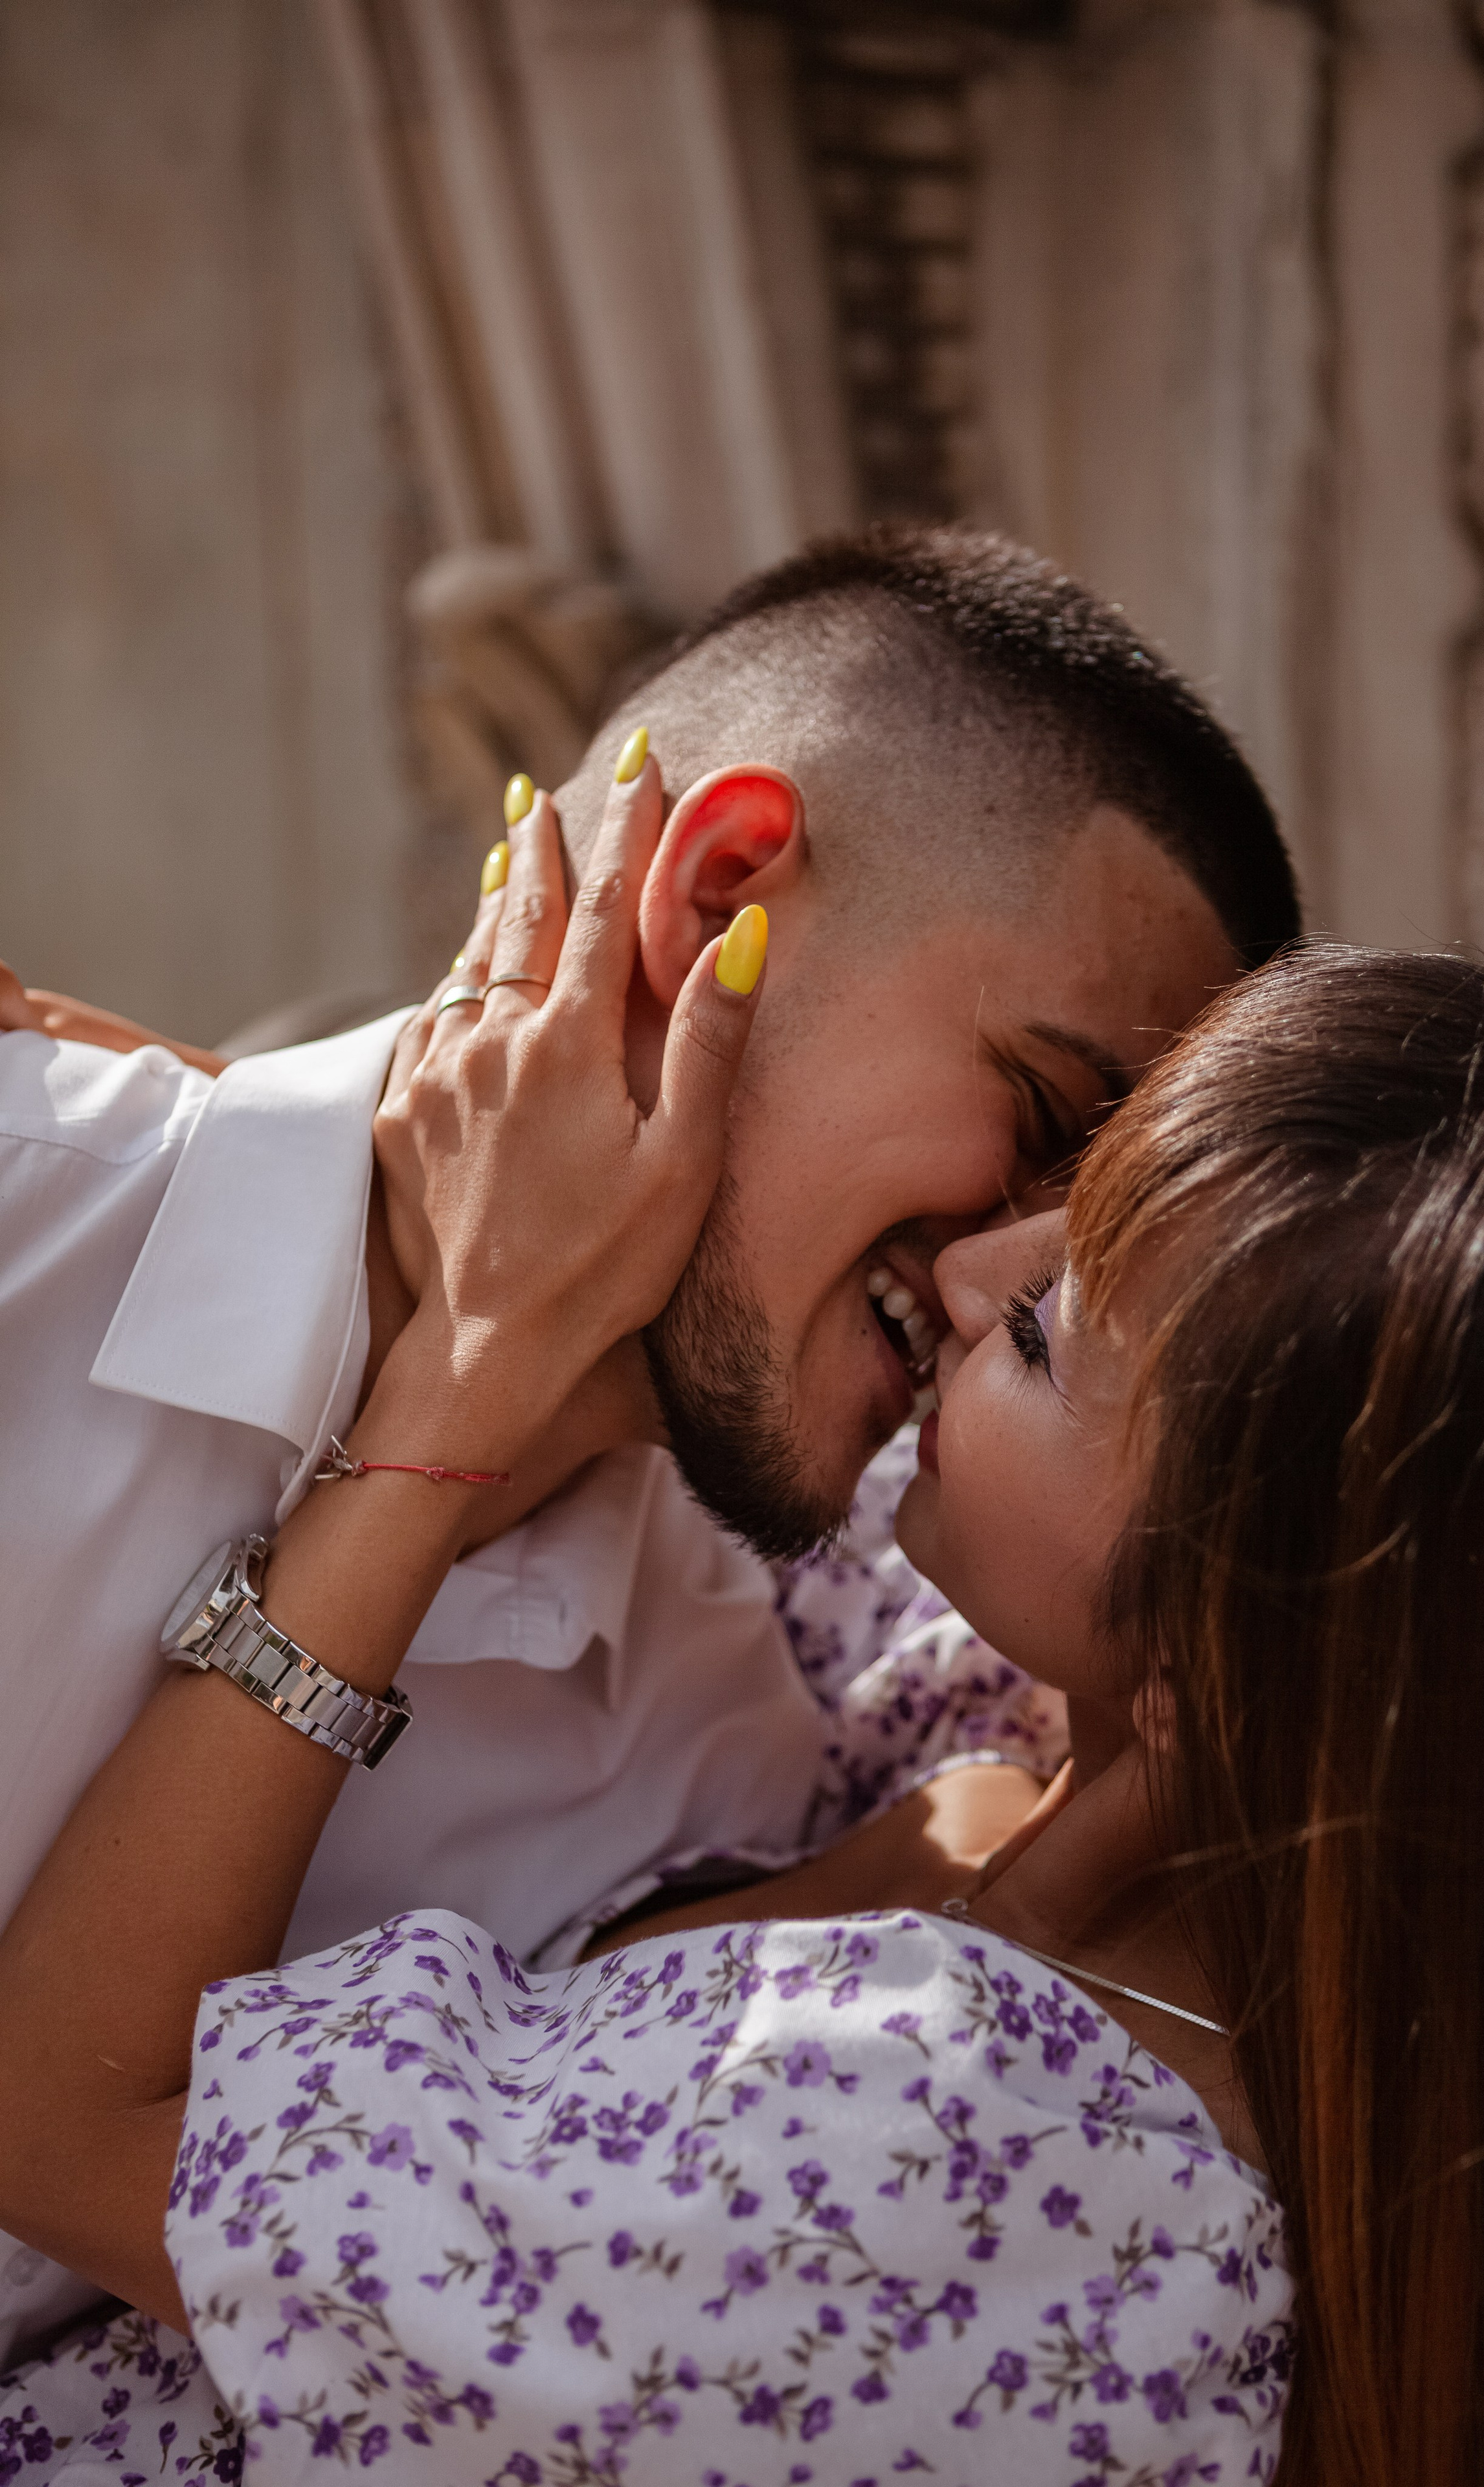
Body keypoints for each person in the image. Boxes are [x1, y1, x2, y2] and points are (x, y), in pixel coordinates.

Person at [6, 903, 1484, 2483]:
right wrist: (222, 1136)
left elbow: (66, 2115)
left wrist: (461, 1379)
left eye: (1035, 1326)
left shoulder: (959, 2184)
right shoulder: (1001, 1715)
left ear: (1230, 1651)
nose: (962, 1267)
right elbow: (706, 1393)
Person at [0, 525, 1298, 2354]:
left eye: (1094, 1232)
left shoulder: (724, 1775)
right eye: (1039, 1112)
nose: (1016, 1256)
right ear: (717, 887)